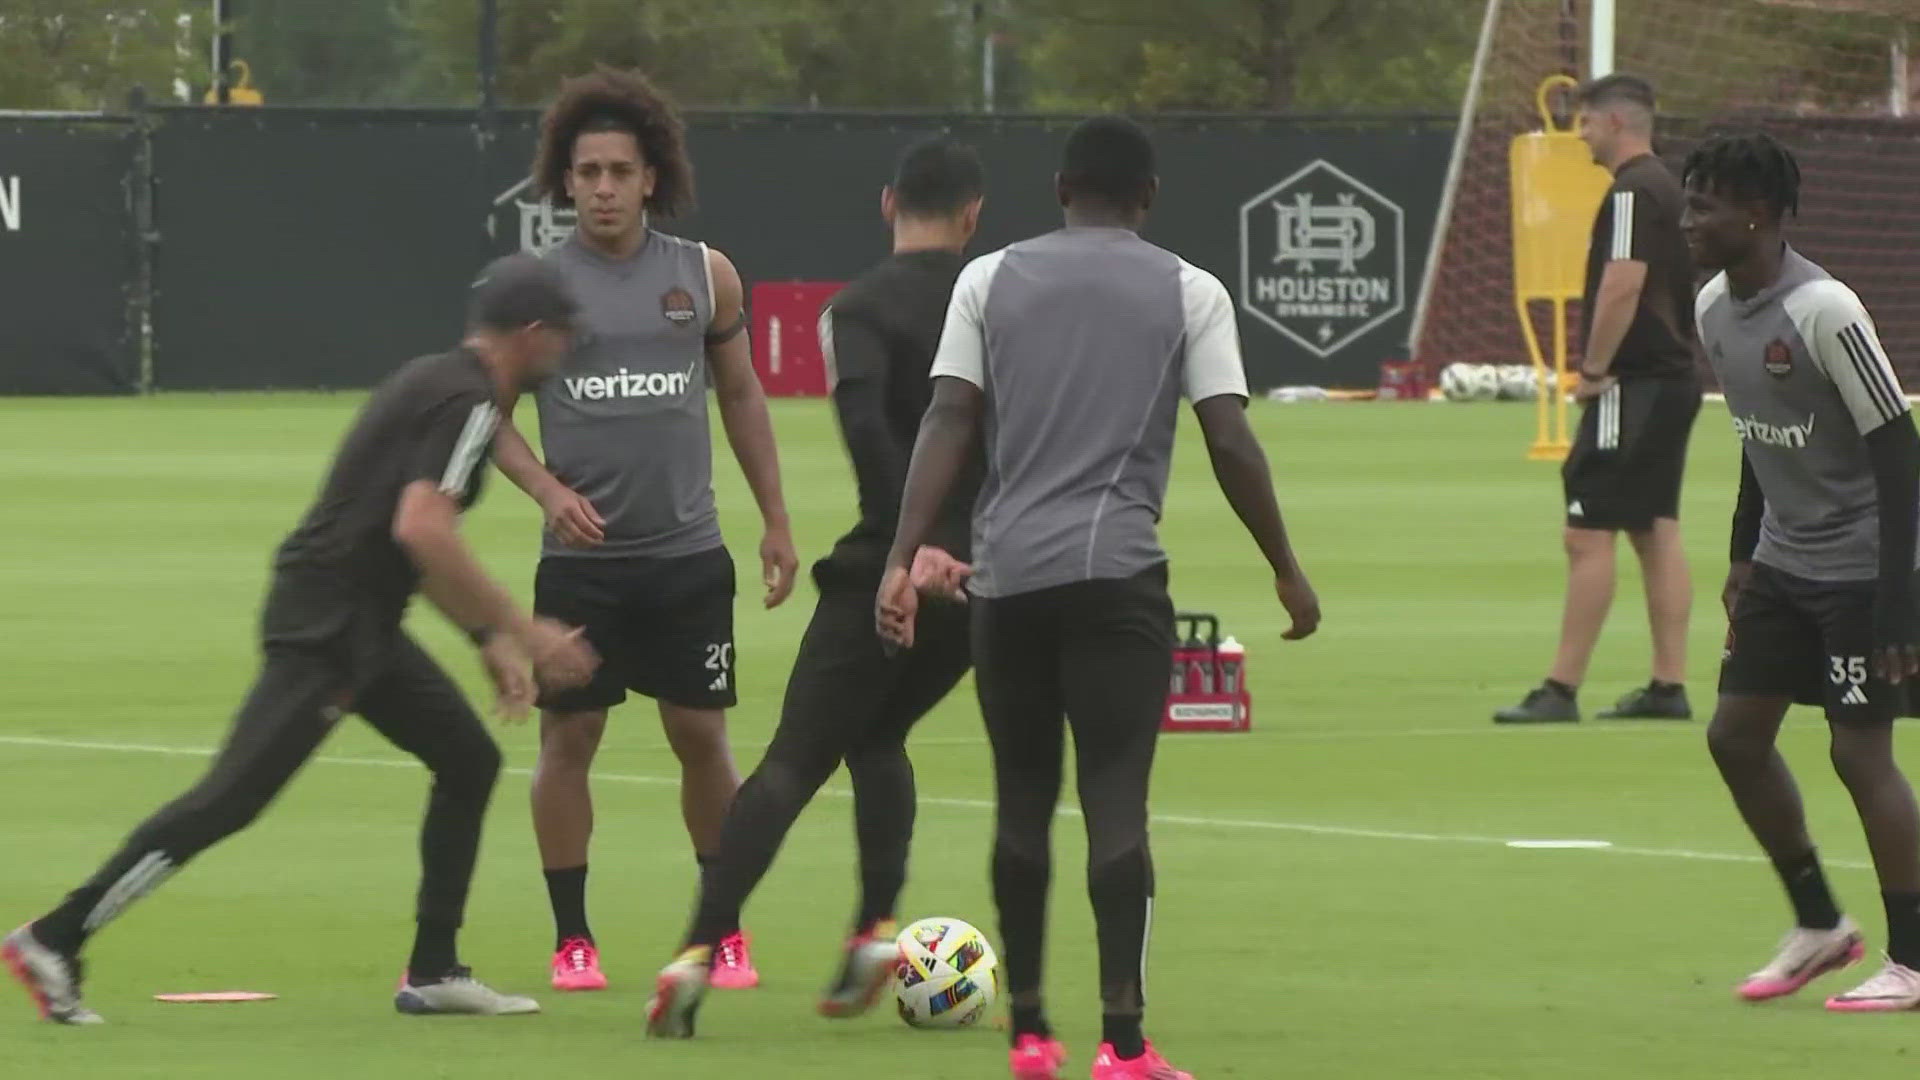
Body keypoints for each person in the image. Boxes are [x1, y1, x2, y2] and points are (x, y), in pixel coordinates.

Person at [2, 253, 600, 1024]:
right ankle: (56, 936)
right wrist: (528, 633)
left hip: (359, 619)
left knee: (467, 758)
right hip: (331, 625)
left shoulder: (437, 379)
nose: (567, 350)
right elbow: (421, 527)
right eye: (562, 336)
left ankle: (434, 968)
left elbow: (392, 535)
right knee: (231, 797)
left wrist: (484, 634)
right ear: (531, 332)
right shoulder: (471, 402)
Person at [873, 115, 1320, 1080]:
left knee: (1020, 805)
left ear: (1063, 189)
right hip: (1117, 582)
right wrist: (1284, 563)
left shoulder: (985, 280)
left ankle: (1030, 1031)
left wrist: (903, 556)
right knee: (1117, 807)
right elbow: (1230, 439)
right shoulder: (1189, 289)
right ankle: (1123, 1041)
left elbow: (948, 417)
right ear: (1147, 197)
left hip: (1008, 584)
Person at [643, 135, 988, 1038]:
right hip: (984, 573)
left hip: (894, 564)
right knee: (880, 736)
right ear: (973, 215)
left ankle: (694, 951)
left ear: (887, 205)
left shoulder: (857, 311)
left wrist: (906, 554)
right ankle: (873, 926)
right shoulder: (999, 304)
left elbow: (875, 445)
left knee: (794, 759)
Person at [496, 65, 799, 993]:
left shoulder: (702, 276)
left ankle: (721, 929)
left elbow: (741, 395)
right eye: (585, 172)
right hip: (581, 571)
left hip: (686, 560)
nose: (601, 189)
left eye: (619, 171)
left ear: (650, 177)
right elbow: (487, 416)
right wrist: (547, 492)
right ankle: (572, 939)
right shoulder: (536, 288)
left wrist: (776, 520)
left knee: (700, 736)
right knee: (569, 744)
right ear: (564, 180)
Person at [1685, 130, 1920, 1011]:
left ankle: (1914, 958)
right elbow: (1757, 434)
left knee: (1860, 755)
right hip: (1785, 561)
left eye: (1705, 205)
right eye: (1688, 199)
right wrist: (1746, 554)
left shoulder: (1826, 309)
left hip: (1862, 571)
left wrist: (1900, 599)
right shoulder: (1714, 305)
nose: (1688, 220)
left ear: (1760, 213)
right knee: (1734, 737)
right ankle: (1821, 924)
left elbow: (1899, 450)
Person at [1496, 74, 1703, 724]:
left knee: (1586, 532)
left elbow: (1621, 285)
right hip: (1672, 380)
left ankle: (1560, 688)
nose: (1577, 135)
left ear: (1615, 123)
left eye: (1584, 122)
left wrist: (1591, 368)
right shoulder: (1670, 188)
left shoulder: (1633, 193)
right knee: (1655, 529)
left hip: (1632, 382)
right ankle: (1668, 686)